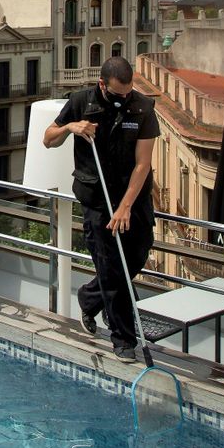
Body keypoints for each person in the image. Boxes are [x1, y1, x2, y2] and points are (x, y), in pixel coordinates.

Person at [44, 56, 159, 362]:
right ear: (102, 85)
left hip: (132, 200)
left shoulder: (144, 108)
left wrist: (124, 207)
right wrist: (71, 126)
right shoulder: (81, 101)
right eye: (118, 94)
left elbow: (143, 164)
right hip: (97, 201)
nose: (124, 99)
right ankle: (124, 340)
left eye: (128, 93)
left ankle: (88, 297)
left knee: (137, 255)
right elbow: (48, 139)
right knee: (111, 270)